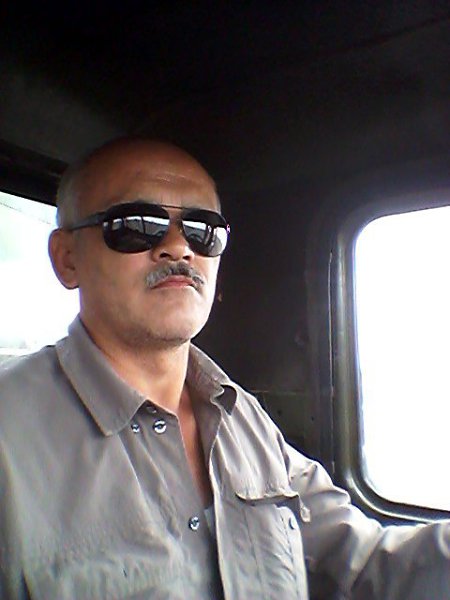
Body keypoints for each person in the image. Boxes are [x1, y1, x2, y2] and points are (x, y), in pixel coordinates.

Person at [0, 137, 448, 600]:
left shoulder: (243, 420)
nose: (179, 247)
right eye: (137, 225)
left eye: (202, 230)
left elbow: (363, 561)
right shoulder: (11, 437)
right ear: (67, 259)